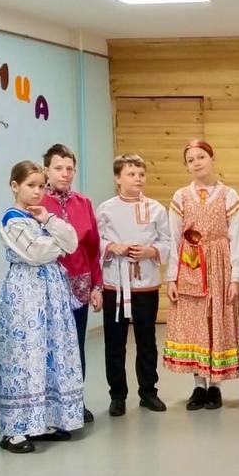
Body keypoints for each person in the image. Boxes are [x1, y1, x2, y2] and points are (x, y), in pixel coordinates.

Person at [0, 160, 85, 453]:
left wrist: (49, 223)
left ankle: (44, 420)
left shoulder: (42, 217)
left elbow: (72, 241)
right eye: (30, 186)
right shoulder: (11, 219)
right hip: (27, 293)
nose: (37, 192)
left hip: (52, 292)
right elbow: (34, 253)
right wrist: (57, 246)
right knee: (26, 352)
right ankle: (16, 428)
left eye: (41, 186)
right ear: (15, 186)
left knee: (51, 349)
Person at [163, 140, 239, 410]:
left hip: (220, 265)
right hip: (191, 264)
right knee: (195, 323)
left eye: (201, 157)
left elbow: (238, 237)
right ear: (186, 165)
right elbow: (173, 238)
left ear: (212, 158)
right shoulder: (181, 196)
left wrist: (236, 277)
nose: (196, 163)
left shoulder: (228, 195)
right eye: (191, 160)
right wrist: (172, 277)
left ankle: (215, 387)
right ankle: (198, 385)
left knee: (217, 320)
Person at [97, 153, 172, 416]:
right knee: (115, 342)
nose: (137, 178)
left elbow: (167, 241)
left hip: (146, 285)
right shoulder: (105, 209)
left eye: (141, 174)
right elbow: (96, 241)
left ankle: (148, 392)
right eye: (131, 174)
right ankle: (117, 395)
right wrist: (111, 246)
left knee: (147, 340)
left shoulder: (156, 208)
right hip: (115, 285)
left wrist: (151, 251)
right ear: (118, 178)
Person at [42, 143, 103, 424]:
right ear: (46, 170)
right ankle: (48, 409)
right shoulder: (37, 203)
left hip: (79, 288)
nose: (65, 174)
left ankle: (76, 403)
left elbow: (93, 248)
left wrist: (97, 286)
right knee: (49, 348)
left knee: (76, 347)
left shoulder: (84, 203)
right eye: (58, 168)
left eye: (70, 169)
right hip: (47, 288)